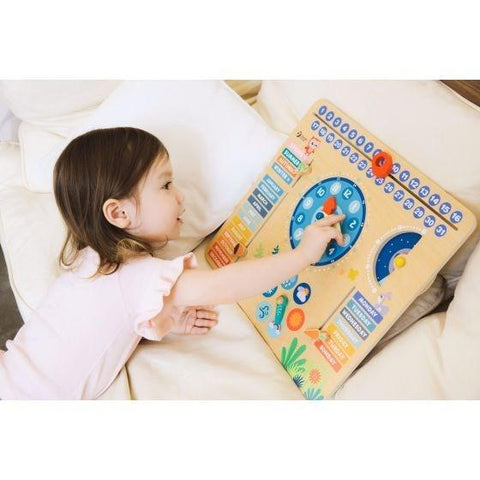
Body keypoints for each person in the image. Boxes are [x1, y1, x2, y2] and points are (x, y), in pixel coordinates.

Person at [0, 127, 344, 399]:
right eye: (165, 185)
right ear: (119, 212)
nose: (180, 195)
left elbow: (99, 325)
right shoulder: (139, 275)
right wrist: (303, 255)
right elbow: (225, 284)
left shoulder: (91, 261)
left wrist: (164, 316)